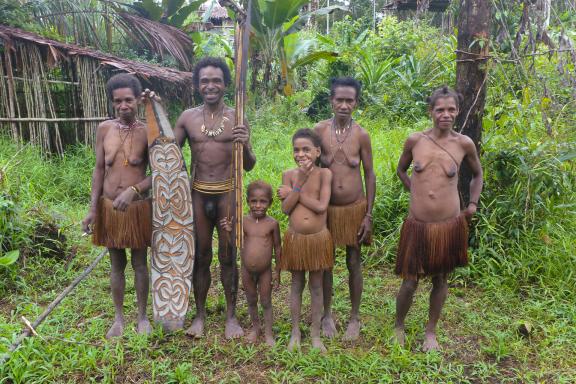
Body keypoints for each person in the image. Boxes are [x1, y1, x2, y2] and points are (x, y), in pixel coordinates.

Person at [393, 86, 483, 351]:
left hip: (449, 225)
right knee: (410, 281)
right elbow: (401, 170)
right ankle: (399, 325)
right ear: (430, 111)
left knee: (441, 279)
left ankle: (430, 332)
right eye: (440, 109)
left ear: (457, 111)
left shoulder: (463, 144)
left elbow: (478, 175)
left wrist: (473, 204)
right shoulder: (415, 141)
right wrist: (416, 191)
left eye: (451, 109)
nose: (446, 114)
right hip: (417, 225)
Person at [174, 57, 256, 339]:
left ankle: (231, 316)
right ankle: (199, 315)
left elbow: (249, 165)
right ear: (198, 85)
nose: (211, 86)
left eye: (216, 80)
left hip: (228, 194)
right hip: (197, 193)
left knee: (228, 255)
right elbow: (168, 155)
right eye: (205, 81)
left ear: (225, 84)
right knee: (201, 255)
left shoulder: (238, 117)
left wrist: (244, 144)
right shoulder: (187, 118)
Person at [81, 73, 152, 339]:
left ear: (137, 100)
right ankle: (119, 318)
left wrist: (135, 190)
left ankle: (143, 316)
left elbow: (159, 172)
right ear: (113, 103)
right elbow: (99, 170)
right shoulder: (104, 129)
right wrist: (92, 209)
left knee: (140, 263)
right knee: (116, 264)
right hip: (109, 207)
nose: (123, 106)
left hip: (137, 209)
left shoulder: (147, 131)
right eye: (118, 101)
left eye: (128, 100)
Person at [314, 77, 376, 341]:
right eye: (339, 99)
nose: (344, 104)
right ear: (331, 100)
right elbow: (309, 168)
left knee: (354, 261)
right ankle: (327, 315)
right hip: (326, 209)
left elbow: (370, 174)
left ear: (356, 103)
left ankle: (354, 317)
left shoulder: (361, 135)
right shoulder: (318, 130)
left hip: (354, 208)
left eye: (349, 100)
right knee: (326, 263)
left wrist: (368, 215)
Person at [277, 129, 333, 352]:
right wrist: (297, 184)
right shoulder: (289, 175)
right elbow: (285, 209)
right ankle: (295, 331)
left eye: (306, 149)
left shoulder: (324, 175)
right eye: (296, 150)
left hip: (318, 239)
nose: (301, 154)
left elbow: (321, 207)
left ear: (317, 152)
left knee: (317, 286)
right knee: (296, 284)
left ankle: (316, 334)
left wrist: (294, 192)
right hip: (296, 239)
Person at [221, 180, 281, 346]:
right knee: (251, 299)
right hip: (247, 270)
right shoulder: (243, 222)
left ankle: (268, 333)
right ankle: (255, 328)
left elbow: (277, 247)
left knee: (266, 301)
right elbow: (234, 243)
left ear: (270, 203)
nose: (258, 205)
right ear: (247, 201)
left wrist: (278, 271)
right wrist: (228, 232)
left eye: (263, 201)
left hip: (265, 271)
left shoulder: (272, 224)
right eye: (253, 201)